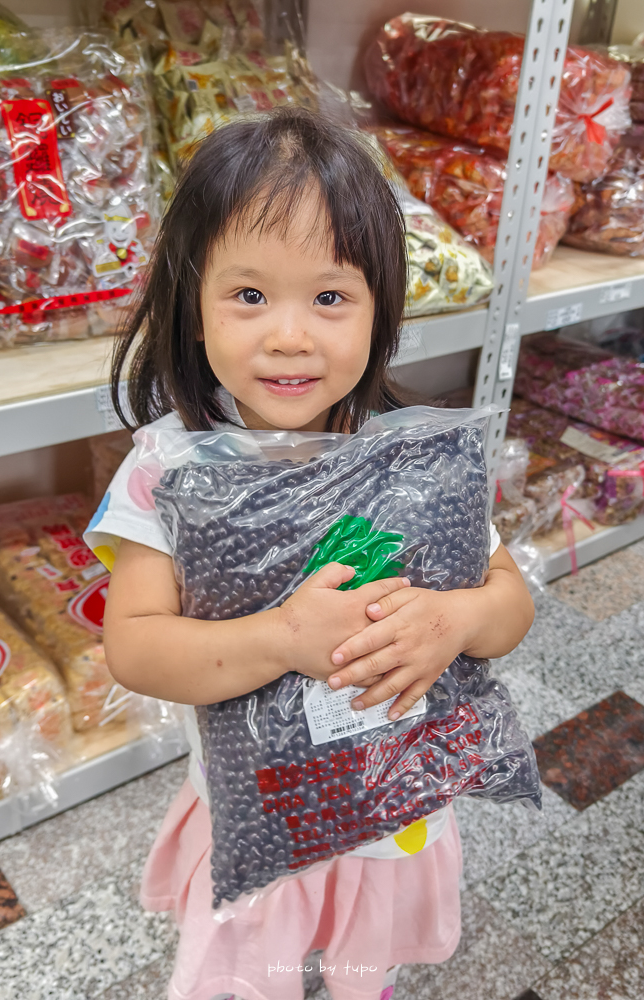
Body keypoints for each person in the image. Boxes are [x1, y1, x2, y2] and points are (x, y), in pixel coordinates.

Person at [84, 107, 535, 1000]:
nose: (289, 335)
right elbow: (133, 646)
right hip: (260, 811)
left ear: (380, 311)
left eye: (330, 297)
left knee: (367, 966)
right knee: (245, 977)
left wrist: (458, 616)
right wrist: (284, 638)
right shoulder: (170, 470)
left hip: (394, 810)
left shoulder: (414, 464)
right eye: (248, 296)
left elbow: (508, 601)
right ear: (194, 301)